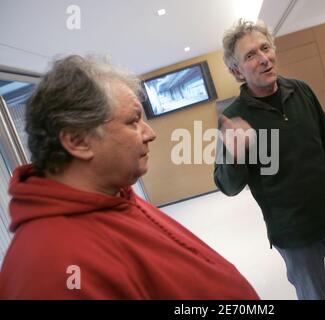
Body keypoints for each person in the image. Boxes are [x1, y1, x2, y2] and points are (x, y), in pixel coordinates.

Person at [0, 55, 259, 300]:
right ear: (78, 141)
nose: (150, 133)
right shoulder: (50, 270)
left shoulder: (114, 194)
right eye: (133, 121)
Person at [214, 19, 325, 300]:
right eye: (251, 55)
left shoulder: (300, 90)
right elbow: (227, 186)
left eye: (265, 48)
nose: (263, 59)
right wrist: (235, 155)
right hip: (294, 236)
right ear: (236, 71)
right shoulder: (234, 120)